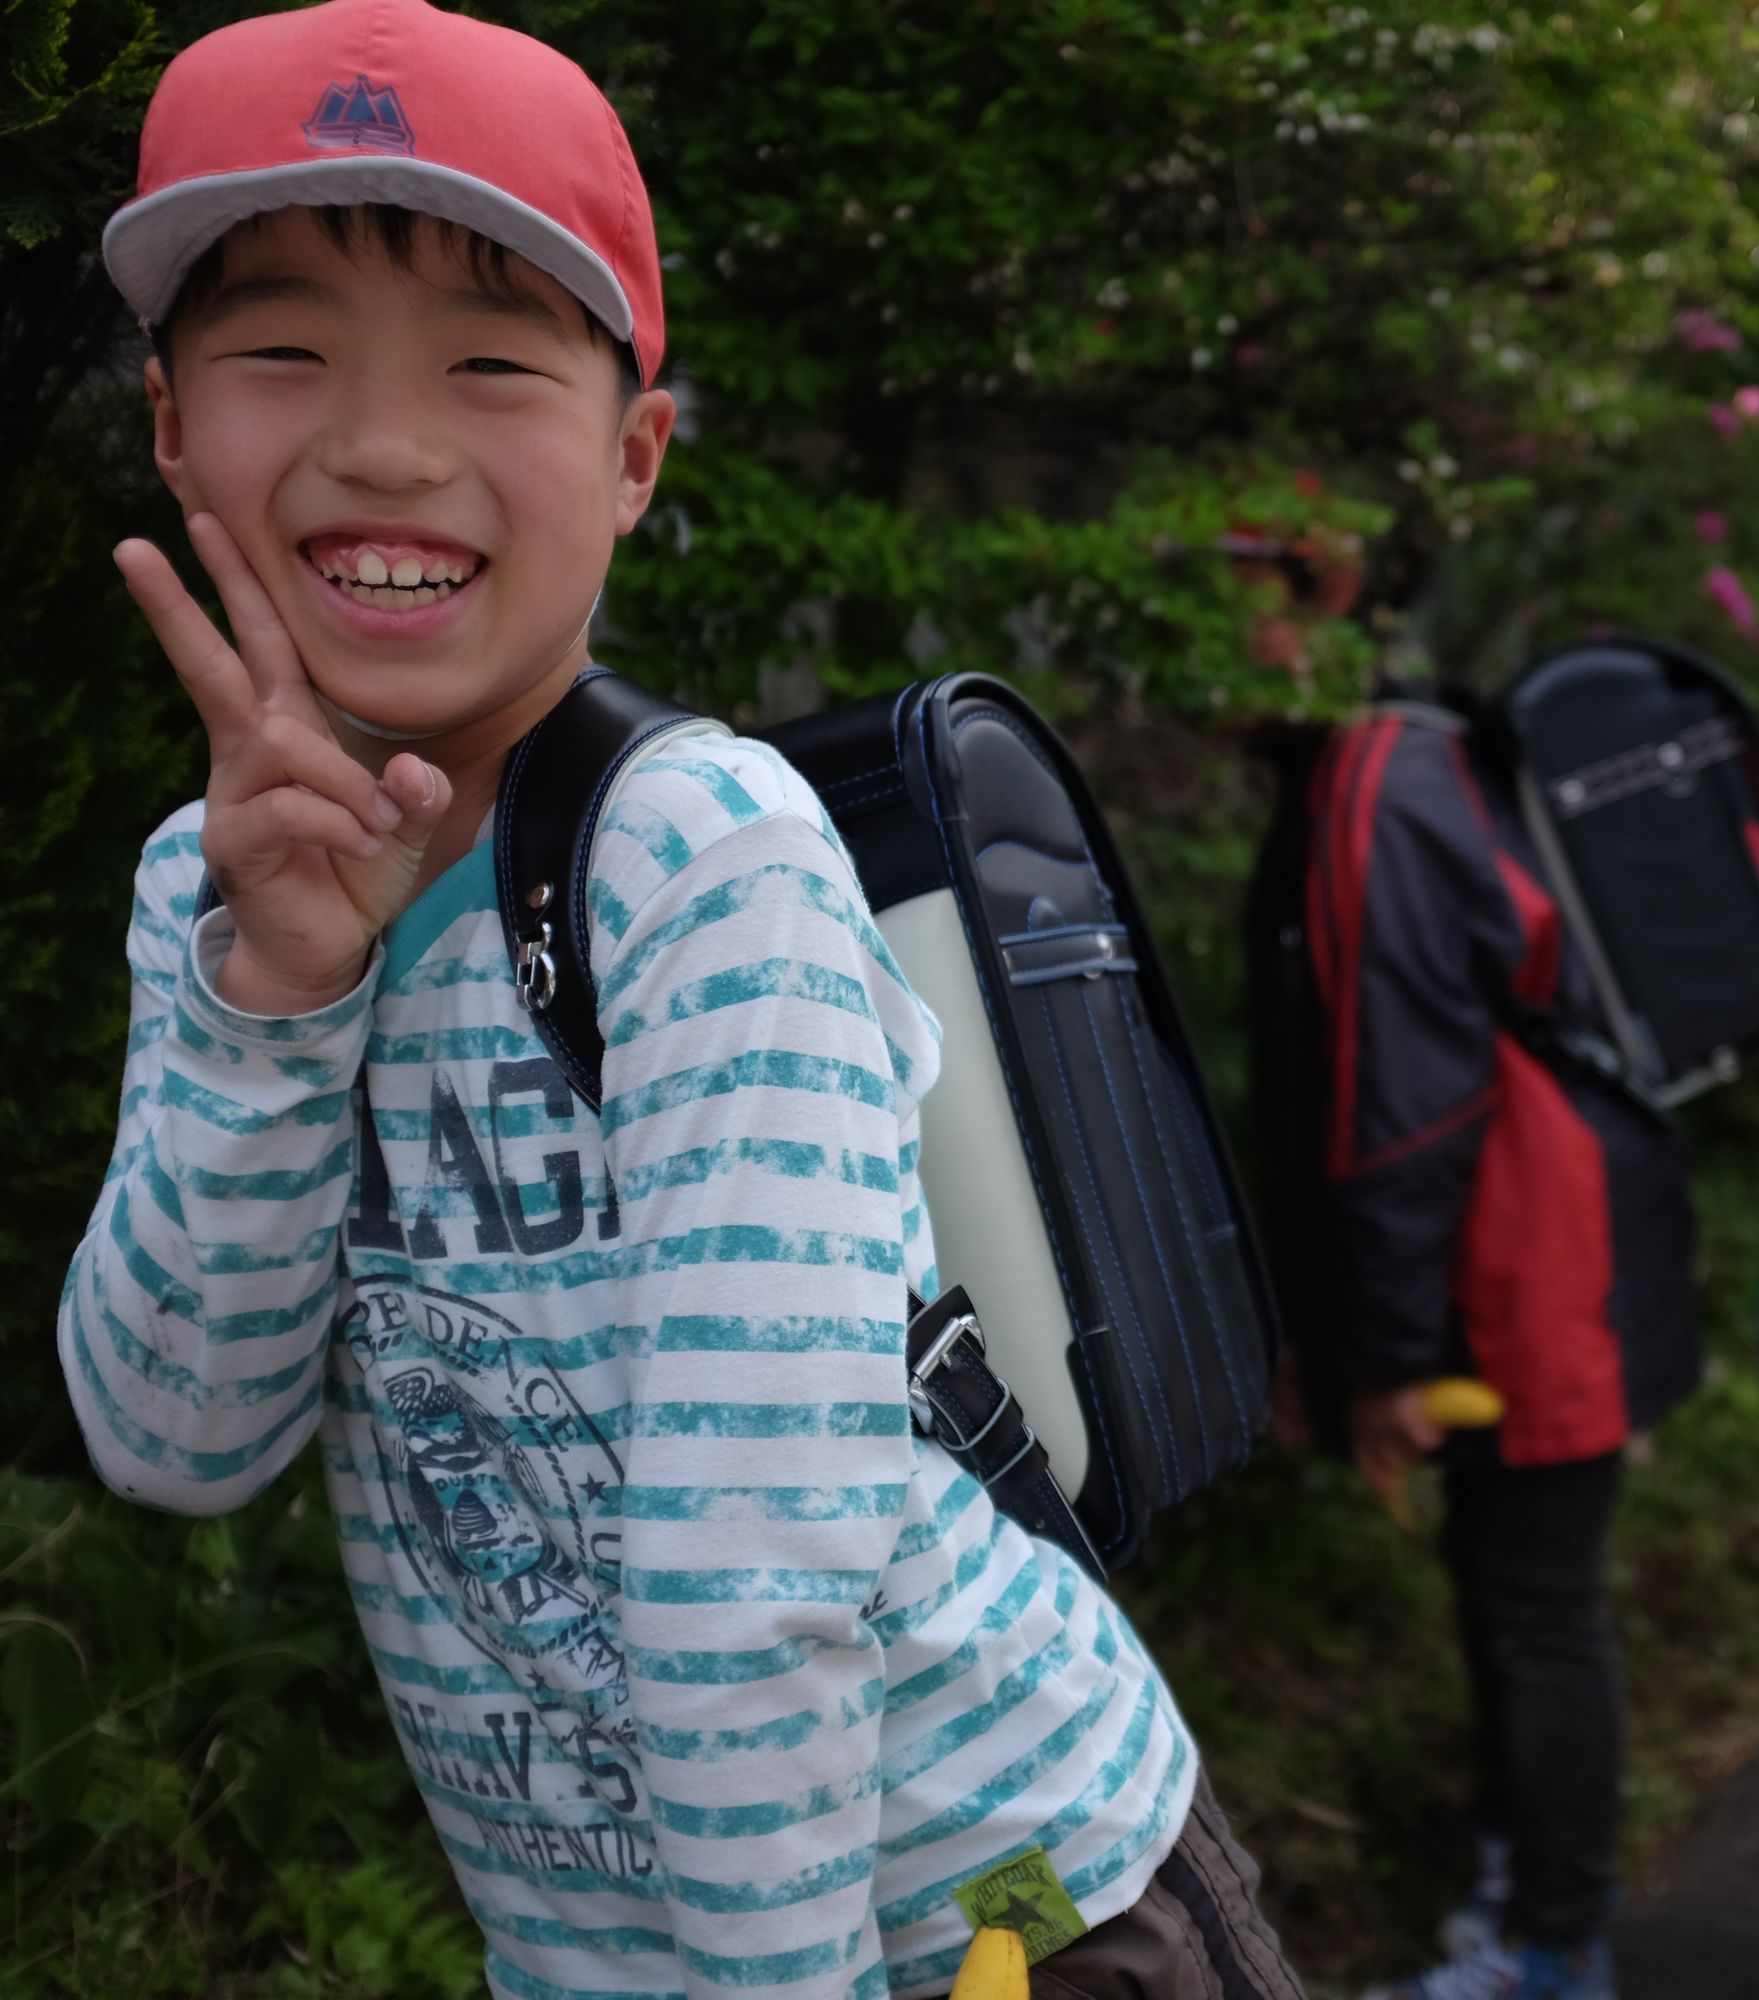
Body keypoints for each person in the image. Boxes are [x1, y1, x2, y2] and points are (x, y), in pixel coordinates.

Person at [56, 5, 1303, 1995]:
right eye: (283, 351)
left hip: (1003, 1909)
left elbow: (760, 1566)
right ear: (171, 422)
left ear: (633, 458)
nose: (384, 441)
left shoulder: (696, 855)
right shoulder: (206, 892)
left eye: (488, 362)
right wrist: (273, 994)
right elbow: (173, 1434)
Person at [1282, 683, 1702, 2000]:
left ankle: (1551, 1951)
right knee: (1522, 1587)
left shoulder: (1379, 774)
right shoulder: (1428, 752)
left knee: (1534, 1603)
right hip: (1561, 1215)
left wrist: (1384, 1355)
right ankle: (1534, 1894)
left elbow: (1397, 1091)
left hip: (1528, 1246)